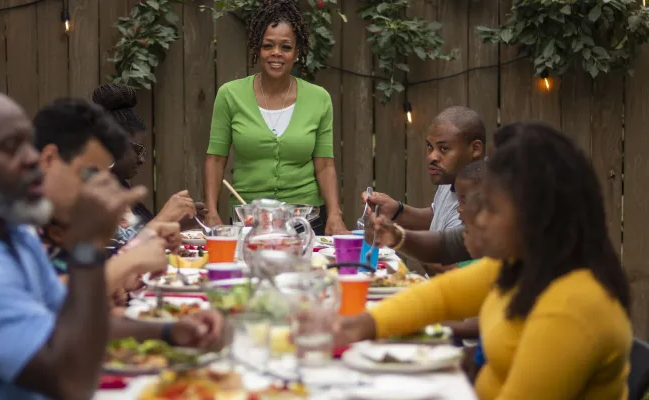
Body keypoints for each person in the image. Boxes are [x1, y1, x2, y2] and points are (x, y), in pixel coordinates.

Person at [0, 91, 227, 400]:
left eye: (26, 142)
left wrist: (168, 332)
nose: (31, 157)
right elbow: (70, 381)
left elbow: (61, 318)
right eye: (10, 147)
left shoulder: (4, 226)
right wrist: (87, 248)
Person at [336, 122, 632, 399]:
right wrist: (364, 324)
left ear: (536, 218)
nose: (476, 217)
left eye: (490, 207)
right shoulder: (522, 265)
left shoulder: (572, 308)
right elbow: (443, 296)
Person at [203, 0, 347, 236]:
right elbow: (216, 160)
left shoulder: (319, 98)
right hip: (249, 220)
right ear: (257, 49)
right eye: (268, 45)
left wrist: (334, 214)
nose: (276, 53)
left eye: (286, 47)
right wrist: (211, 211)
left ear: (297, 53)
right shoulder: (230, 95)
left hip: (305, 221)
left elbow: (324, 165)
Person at [32, 98, 178, 299]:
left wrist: (122, 277)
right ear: (49, 160)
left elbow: (81, 275)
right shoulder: (14, 226)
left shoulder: (60, 220)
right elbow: (43, 301)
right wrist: (127, 263)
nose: (98, 189)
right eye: (89, 174)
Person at [92, 83, 207, 242]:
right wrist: (165, 218)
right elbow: (119, 247)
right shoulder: (89, 192)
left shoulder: (117, 186)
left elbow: (135, 234)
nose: (142, 159)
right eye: (138, 150)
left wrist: (176, 223)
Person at [362, 106, 485, 233]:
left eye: (444, 148)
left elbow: (446, 243)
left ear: (475, 149)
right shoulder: (450, 178)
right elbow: (437, 217)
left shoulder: (484, 201)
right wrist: (396, 211)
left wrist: (395, 237)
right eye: (430, 146)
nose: (431, 157)